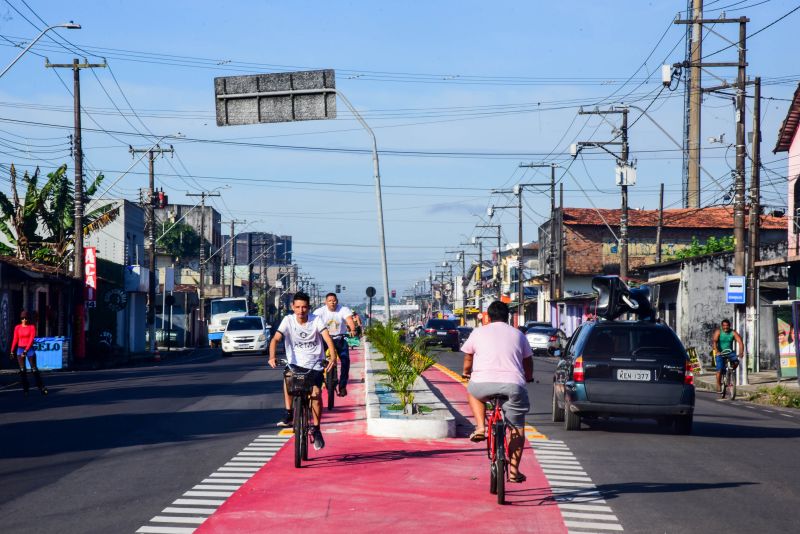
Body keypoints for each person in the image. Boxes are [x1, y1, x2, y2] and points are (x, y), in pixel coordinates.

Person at [461, 301, 533, 484]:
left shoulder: (478, 333)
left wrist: (466, 372)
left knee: (473, 392)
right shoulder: (518, 334)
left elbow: (468, 356)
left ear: (488, 317)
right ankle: (514, 471)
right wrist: (529, 377)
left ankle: (480, 427)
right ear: (507, 317)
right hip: (513, 385)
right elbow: (528, 361)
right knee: (517, 428)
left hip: (482, 384)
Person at [269, 292, 337, 450]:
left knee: (316, 395)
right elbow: (275, 339)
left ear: (309, 308)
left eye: (304, 307)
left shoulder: (316, 320)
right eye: (298, 307)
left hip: (315, 365)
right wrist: (272, 357)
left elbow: (327, 338)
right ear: (293, 307)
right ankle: (288, 412)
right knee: (287, 377)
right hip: (295, 364)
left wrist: (333, 357)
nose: (301, 310)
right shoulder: (288, 320)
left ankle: (317, 429)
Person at [313, 293, 357, 397]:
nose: (332, 302)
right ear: (326, 302)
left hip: (339, 339)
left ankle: (342, 386)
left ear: (337, 301)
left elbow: (349, 320)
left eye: (334, 300)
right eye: (330, 301)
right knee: (316, 361)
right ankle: (318, 381)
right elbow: (312, 322)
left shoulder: (343, 310)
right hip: (325, 340)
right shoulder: (319, 312)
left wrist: (352, 329)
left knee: (345, 361)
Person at [9, 310, 47, 396]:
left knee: (34, 369)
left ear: (28, 319)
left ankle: (40, 386)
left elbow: (31, 340)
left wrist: (26, 350)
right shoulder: (17, 327)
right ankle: (25, 388)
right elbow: (15, 339)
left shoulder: (32, 327)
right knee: (22, 370)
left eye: (26, 318)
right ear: (20, 319)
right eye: (22, 318)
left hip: (29, 349)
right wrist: (11, 351)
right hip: (20, 349)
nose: (24, 320)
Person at [712, 318, 744, 392]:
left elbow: (740, 342)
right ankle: (718, 384)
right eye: (724, 325)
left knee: (736, 362)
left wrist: (741, 352)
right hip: (720, 352)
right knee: (719, 370)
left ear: (729, 326)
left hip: (729, 352)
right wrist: (716, 351)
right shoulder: (718, 332)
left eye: (727, 325)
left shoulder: (733, 332)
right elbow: (714, 342)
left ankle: (730, 372)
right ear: (722, 326)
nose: (725, 327)